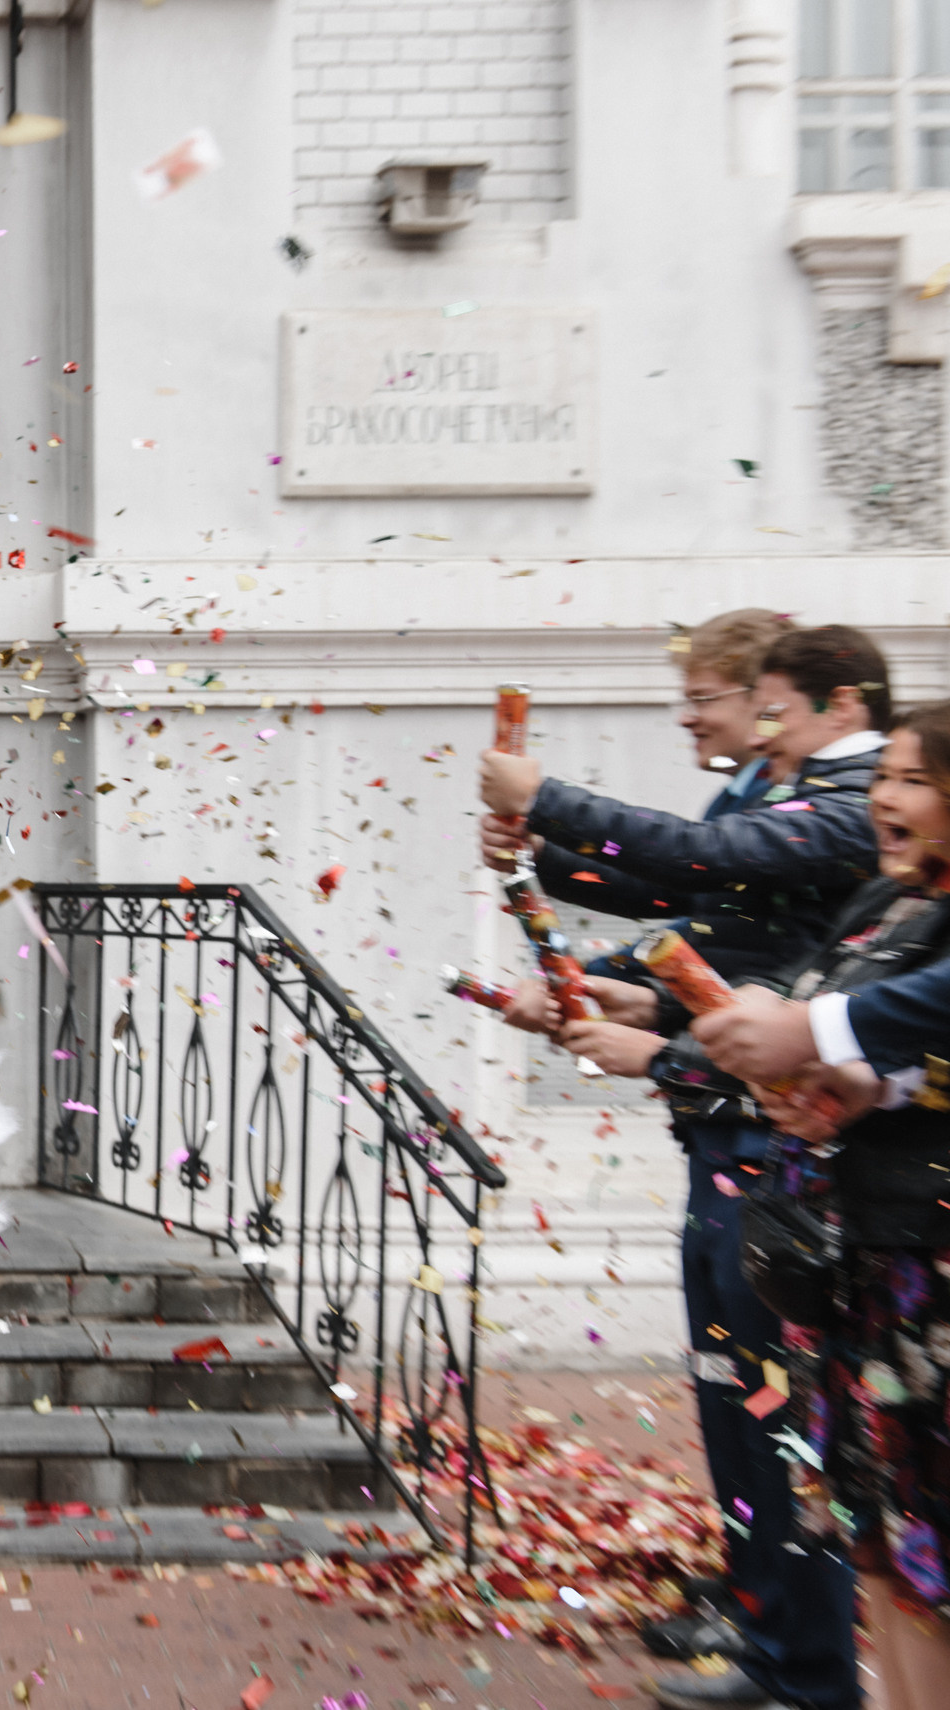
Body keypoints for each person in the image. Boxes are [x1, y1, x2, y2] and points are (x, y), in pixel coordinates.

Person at [480, 624, 886, 1710]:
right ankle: (766, 1631)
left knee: (786, 1417)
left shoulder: (850, 804)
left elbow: (732, 888)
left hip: (784, 1149)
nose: (735, 729)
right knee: (733, 1397)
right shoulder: (800, 792)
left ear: (838, 707)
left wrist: (550, 804)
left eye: (761, 708)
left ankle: (803, 1661)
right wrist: (551, 874)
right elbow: (717, 926)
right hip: (727, 1132)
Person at [685, 701, 950, 1710]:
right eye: (886, 775)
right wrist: (852, 1085)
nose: (885, 795)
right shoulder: (890, 908)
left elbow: (875, 1018)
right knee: (883, 1542)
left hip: (928, 1276)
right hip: (863, 1270)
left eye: (914, 779)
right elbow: (901, 1059)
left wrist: (816, 1035)